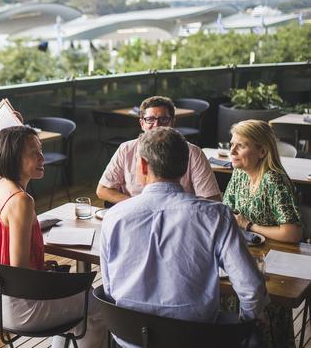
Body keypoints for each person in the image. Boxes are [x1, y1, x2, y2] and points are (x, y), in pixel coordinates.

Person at [100, 127, 268, 348]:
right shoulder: (216, 216)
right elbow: (252, 287)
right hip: (195, 338)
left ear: (142, 165)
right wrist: (247, 322)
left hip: (131, 337)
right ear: (185, 164)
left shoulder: (113, 217)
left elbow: (110, 288)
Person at [0, 126, 105, 348]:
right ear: (14, 158)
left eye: (41, 150)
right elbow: (20, 271)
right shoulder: (21, 201)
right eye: (33, 153)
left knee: (75, 297)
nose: (42, 158)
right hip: (17, 305)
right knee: (99, 305)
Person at [223, 119, 303, 348]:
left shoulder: (274, 179)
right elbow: (228, 210)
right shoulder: (239, 174)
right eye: (232, 144)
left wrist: (249, 225)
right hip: (246, 254)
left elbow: (292, 232)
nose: (232, 151)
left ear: (262, 151)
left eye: (241, 145)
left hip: (274, 265)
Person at [96, 95, 221, 204]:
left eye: (164, 119)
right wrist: (139, 206)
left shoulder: (193, 153)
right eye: (150, 119)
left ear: (172, 122)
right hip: (136, 216)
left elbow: (212, 200)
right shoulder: (126, 149)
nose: (157, 125)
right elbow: (103, 190)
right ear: (142, 123)